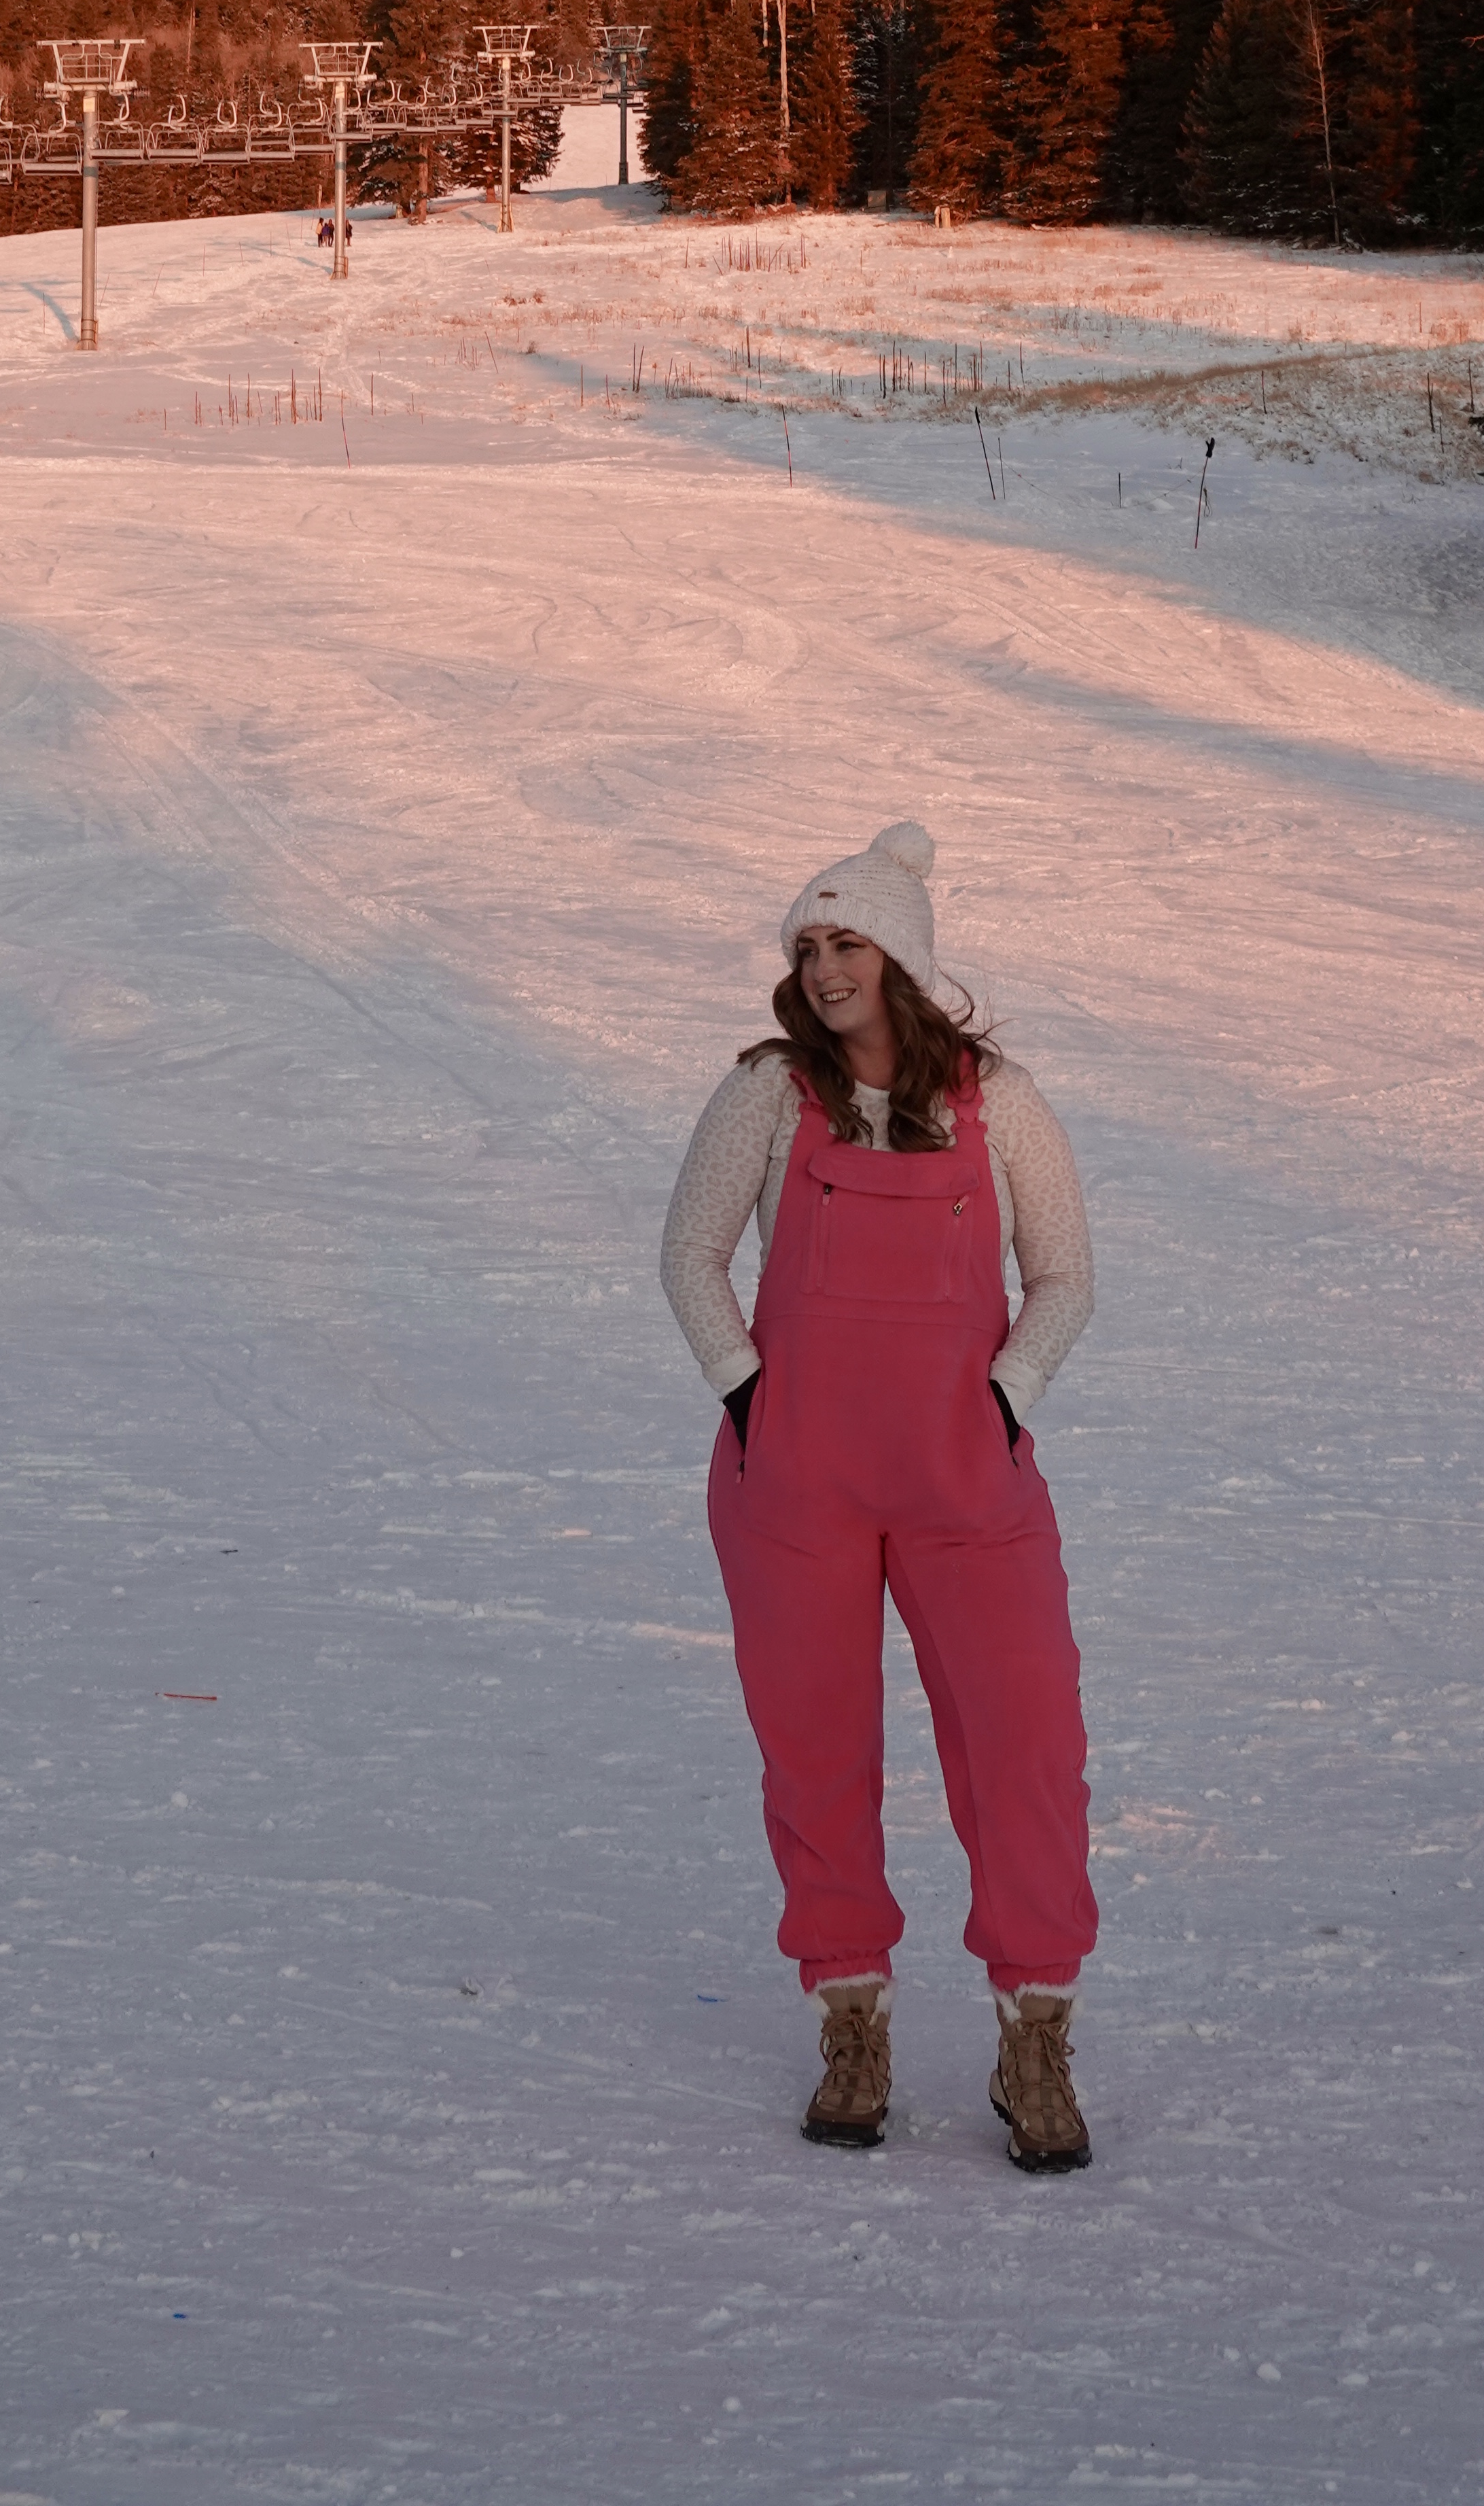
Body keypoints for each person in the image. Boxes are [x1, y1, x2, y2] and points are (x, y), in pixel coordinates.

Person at [660, 820, 1098, 2168]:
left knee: (1025, 1750)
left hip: (968, 1483)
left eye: (846, 942)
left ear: (901, 956)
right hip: (798, 1487)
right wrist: (753, 1399)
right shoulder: (766, 1096)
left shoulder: (997, 1100)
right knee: (817, 1754)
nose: (825, 967)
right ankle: (850, 2024)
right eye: (807, 947)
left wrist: (1007, 1396)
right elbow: (690, 1260)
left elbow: (1065, 1276)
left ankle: (1035, 2040)